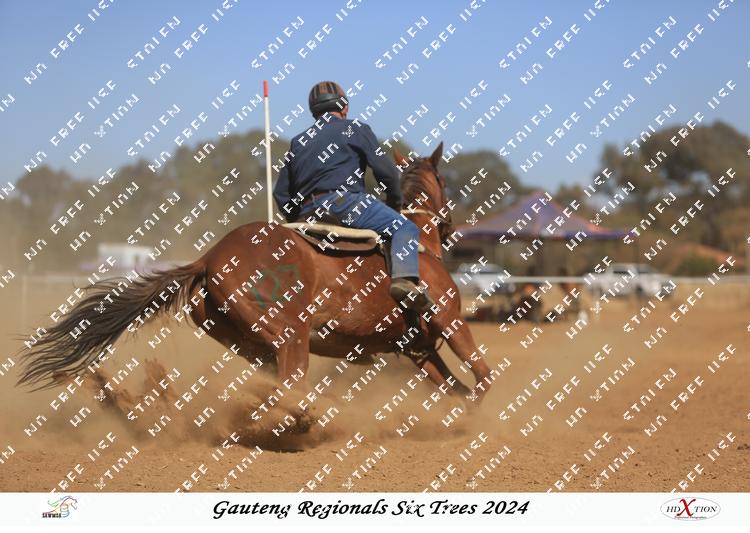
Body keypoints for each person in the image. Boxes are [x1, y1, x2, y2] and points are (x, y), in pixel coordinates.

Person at [273, 81, 433, 312]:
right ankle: (405, 283)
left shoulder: (298, 141)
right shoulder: (356, 129)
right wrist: (394, 205)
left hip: (307, 213)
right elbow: (387, 173)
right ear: (344, 107)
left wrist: (298, 219)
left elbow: (280, 193)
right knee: (405, 228)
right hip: (346, 204)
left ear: (314, 112)